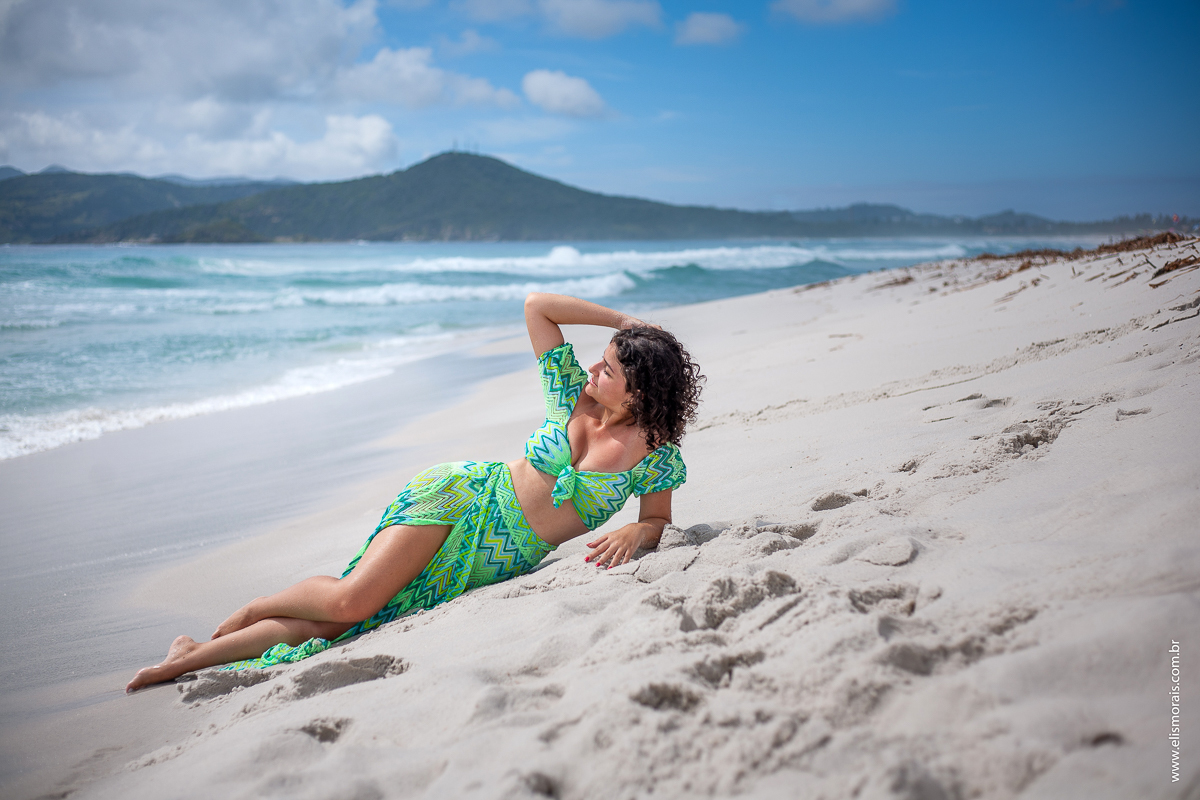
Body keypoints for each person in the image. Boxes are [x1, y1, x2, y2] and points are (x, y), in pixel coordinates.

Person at [126, 293, 704, 692]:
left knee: (346, 623)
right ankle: (256, 607)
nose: (593, 371)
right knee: (352, 602)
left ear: (640, 393)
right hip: (462, 494)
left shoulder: (654, 457)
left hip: (494, 559)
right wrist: (626, 322)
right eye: (599, 360)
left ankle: (189, 656)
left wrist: (639, 528)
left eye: (609, 369)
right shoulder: (569, 395)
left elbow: (656, 520)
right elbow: (537, 307)